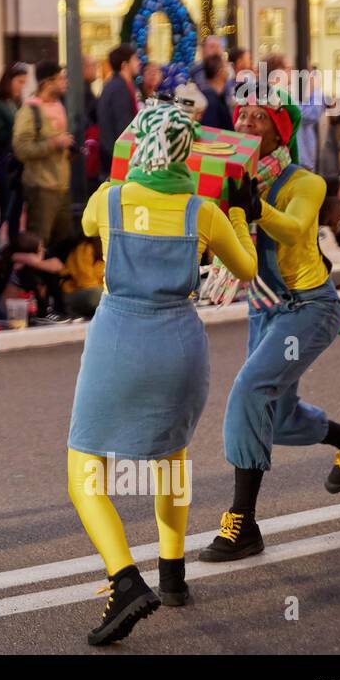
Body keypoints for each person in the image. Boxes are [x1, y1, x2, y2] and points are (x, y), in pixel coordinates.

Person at [67, 103, 259, 644]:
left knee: (85, 466)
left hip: (118, 341)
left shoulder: (111, 199)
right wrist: (241, 213)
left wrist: (119, 173)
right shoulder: (204, 211)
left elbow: (84, 224)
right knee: (170, 458)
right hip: (179, 343)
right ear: (186, 154)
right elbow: (245, 270)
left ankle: (124, 578)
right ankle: (171, 576)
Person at [199, 95, 340, 565]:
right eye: (242, 114)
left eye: (259, 118)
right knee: (278, 417)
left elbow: (293, 227)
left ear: (280, 133)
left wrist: (254, 206)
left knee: (248, 393)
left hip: (308, 308)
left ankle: (242, 522)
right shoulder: (228, 178)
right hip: (264, 309)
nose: (245, 121)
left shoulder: (304, 182)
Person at [12, 62, 74, 250]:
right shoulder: (30, 110)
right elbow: (21, 149)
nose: (66, 82)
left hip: (61, 186)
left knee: (63, 241)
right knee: (39, 242)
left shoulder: (59, 106)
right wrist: (54, 144)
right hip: (41, 187)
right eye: (61, 78)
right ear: (47, 83)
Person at [0, 63, 27, 241]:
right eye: (19, 81)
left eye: (24, 82)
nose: (21, 86)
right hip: (4, 161)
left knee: (15, 210)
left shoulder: (15, 104)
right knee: (4, 208)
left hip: (17, 163)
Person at [96, 43, 140, 178]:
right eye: (135, 59)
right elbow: (123, 127)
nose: (138, 63)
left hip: (112, 154)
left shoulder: (116, 84)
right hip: (116, 157)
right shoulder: (119, 88)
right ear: (124, 65)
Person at [199, 54, 233, 130]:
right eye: (226, 66)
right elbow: (210, 131)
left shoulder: (219, 96)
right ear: (220, 72)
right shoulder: (209, 101)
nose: (229, 68)